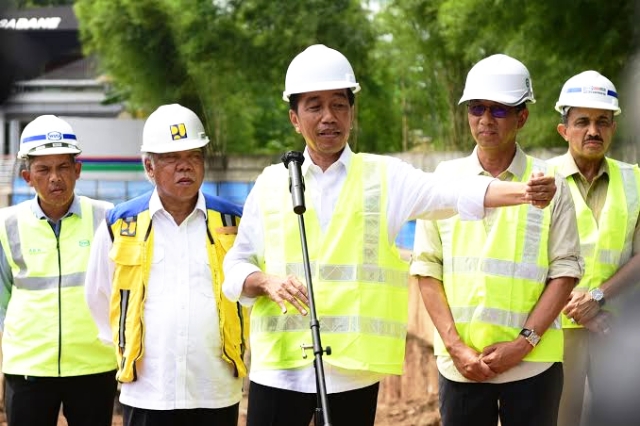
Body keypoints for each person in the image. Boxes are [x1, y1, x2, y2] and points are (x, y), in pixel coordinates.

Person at [222, 44, 558, 426]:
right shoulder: (270, 183)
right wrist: (264, 281)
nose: (328, 117)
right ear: (295, 118)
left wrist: (525, 193)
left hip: (351, 374)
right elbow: (235, 266)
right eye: (314, 106)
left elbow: (453, 192)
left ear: (352, 113)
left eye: (339, 105)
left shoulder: (385, 177)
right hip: (277, 372)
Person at [410, 54, 584, 426]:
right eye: (477, 108)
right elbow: (426, 268)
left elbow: (565, 272)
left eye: (499, 110)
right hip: (463, 366)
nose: (485, 120)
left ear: (522, 116)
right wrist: (456, 347)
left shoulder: (550, 184)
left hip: (533, 365)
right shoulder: (444, 179)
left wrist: (523, 344)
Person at [84, 104, 248, 426]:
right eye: (172, 159)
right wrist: (126, 348)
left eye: (194, 157)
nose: (185, 167)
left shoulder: (233, 222)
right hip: (147, 391)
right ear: (149, 166)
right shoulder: (120, 224)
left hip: (214, 388)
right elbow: (99, 295)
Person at [0, 115, 118, 426]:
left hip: (94, 366)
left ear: (77, 171)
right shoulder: (6, 224)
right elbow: (1, 302)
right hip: (28, 370)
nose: (55, 177)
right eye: (44, 169)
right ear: (27, 176)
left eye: (63, 167)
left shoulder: (107, 218)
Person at [548, 70, 640, 426]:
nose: (593, 131)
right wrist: (577, 308)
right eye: (582, 121)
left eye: (603, 121)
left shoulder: (634, 180)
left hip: (613, 327)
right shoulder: (541, 179)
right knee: (559, 419)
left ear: (614, 127)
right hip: (554, 331)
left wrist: (597, 299)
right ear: (564, 129)